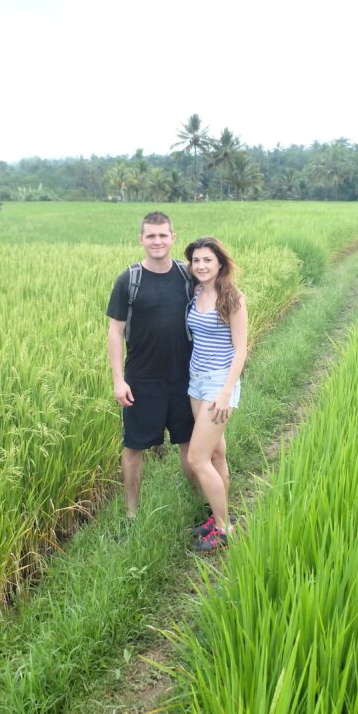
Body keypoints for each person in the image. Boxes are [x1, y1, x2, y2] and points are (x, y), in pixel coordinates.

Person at [107, 211, 196, 519]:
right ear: (141, 239)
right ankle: (132, 513)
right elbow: (115, 331)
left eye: (162, 235)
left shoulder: (188, 276)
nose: (157, 241)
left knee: (189, 444)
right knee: (134, 446)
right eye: (151, 236)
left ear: (173, 237)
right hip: (141, 380)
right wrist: (119, 380)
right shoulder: (129, 280)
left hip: (185, 378)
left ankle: (198, 503)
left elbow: (217, 303)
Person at [184, 237, 248, 552]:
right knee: (215, 454)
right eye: (196, 260)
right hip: (195, 383)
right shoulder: (196, 293)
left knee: (197, 458)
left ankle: (223, 530)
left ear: (219, 263)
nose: (201, 266)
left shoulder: (232, 298)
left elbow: (241, 351)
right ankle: (218, 514)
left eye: (207, 260)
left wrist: (225, 394)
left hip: (217, 386)